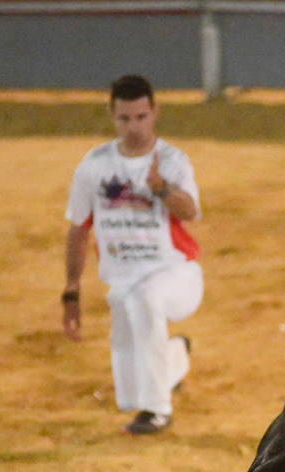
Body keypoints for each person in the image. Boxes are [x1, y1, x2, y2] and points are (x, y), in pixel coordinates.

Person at [62, 74, 203, 435]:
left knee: (147, 299)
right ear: (111, 115)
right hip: (122, 282)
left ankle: (157, 412)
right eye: (125, 118)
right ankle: (175, 357)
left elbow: (190, 211)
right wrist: (71, 290)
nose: (134, 127)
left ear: (155, 112)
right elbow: (78, 229)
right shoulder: (94, 166)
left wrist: (160, 188)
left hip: (177, 273)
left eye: (141, 117)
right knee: (130, 387)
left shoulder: (171, 160)